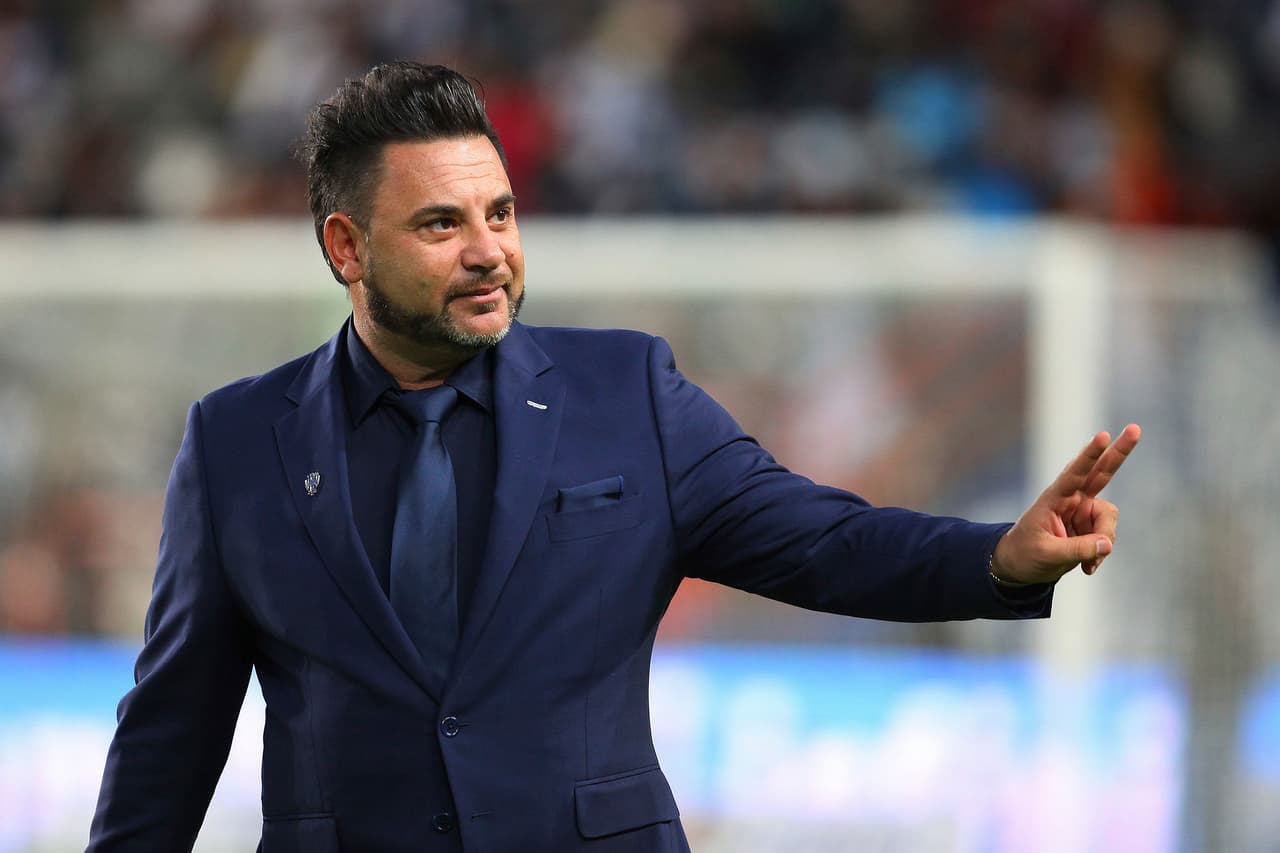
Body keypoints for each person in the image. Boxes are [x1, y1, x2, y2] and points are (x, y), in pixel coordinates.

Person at [86, 61, 1141, 853]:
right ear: (346, 248)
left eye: (499, 213)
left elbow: (822, 539)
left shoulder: (624, 391)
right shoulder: (236, 439)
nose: (488, 250)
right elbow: (174, 725)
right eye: (441, 224)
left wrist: (997, 559)